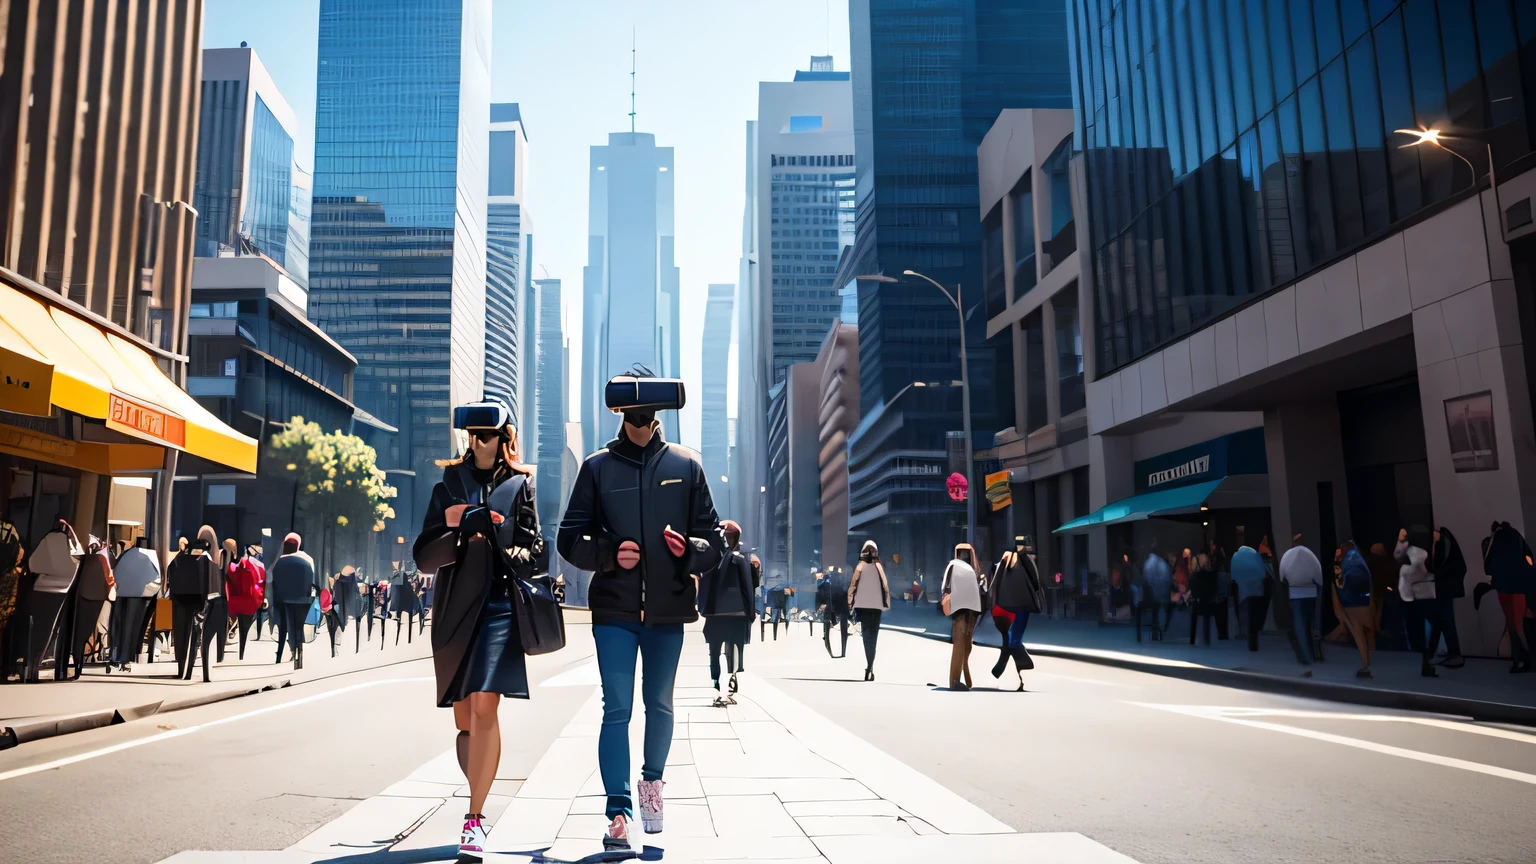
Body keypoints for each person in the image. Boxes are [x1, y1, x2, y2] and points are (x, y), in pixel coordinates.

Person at [557, 375, 724, 851]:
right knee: (618, 708)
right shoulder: (596, 468)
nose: (641, 421)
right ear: (621, 415)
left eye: (648, 414)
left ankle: (652, 790)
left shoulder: (687, 466)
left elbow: (712, 541)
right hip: (614, 610)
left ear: (658, 415)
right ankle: (617, 811)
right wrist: (609, 554)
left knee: (661, 705)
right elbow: (569, 538)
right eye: (634, 415)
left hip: (668, 610)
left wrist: (687, 551)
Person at [414, 400, 543, 860]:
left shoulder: (520, 485)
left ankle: (475, 818)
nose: (478, 442)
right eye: (472, 434)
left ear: (503, 436)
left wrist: (505, 550)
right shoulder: (448, 484)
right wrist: (461, 528)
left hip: (500, 604)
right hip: (453, 610)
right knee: (465, 719)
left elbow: (538, 551)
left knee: (487, 706)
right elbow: (423, 555)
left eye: (487, 434)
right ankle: (477, 793)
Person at [700, 520, 754, 703]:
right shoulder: (740, 558)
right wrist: (751, 613)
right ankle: (728, 688)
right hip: (737, 613)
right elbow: (748, 586)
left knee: (715, 651)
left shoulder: (709, 557)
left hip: (715, 613)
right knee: (734, 651)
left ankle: (716, 686)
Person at [1477, 521, 1536, 673]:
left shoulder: (1493, 541)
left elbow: (1488, 563)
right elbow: (1529, 559)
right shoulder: (1514, 537)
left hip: (1504, 585)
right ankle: (1526, 659)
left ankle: (1520, 660)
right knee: (1519, 625)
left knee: (1512, 625)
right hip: (1518, 585)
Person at [166, 526, 221, 682]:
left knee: (180, 637)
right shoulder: (208, 562)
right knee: (195, 639)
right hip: (199, 603)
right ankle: (189, 671)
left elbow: (171, 576)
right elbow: (213, 588)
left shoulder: (178, 559)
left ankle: (181, 669)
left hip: (179, 601)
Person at [990, 536, 1043, 690]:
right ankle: (1020, 670)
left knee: (1010, 641)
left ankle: (1006, 671)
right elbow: (1036, 581)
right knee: (1014, 641)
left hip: (1005, 606)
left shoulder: (1006, 558)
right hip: (1022, 606)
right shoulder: (1027, 560)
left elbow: (996, 578)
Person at [109, 538, 160, 672]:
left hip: (121, 594)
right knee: (132, 628)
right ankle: (126, 657)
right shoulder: (149, 557)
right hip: (139, 595)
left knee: (118, 626)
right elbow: (155, 578)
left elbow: (116, 571)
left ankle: (115, 655)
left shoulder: (126, 555)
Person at [1395, 528, 1441, 678]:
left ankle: (1427, 660)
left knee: (1426, 630)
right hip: (1416, 597)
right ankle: (1426, 661)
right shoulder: (1412, 554)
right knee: (1423, 630)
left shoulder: (1416, 554)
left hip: (1420, 596)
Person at [269, 532, 316, 670]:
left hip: (283, 601)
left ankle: (282, 652)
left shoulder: (278, 561)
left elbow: (272, 581)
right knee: (298, 625)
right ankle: (297, 650)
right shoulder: (307, 560)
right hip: (302, 600)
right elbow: (311, 581)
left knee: (284, 624)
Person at [847, 540, 891, 682]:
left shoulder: (860, 567)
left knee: (867, 638)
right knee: (874, 637)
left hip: (862, 606)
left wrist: (850, 602)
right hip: (876, 607)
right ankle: (870, 667)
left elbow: (853, 585)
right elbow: (885, 586)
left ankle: (869, 667)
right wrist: (886, 603)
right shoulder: (879, 567)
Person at [941, 543, 982, 690]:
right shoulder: (973, 568)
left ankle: (960, 679)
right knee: (963, 643)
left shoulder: (956, 566)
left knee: (963, 643)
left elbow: (944, 586)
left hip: (964, 609)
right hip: (968, 609)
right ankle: (957, 679)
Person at [1279, 535, 1323, 671]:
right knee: (1311, 623)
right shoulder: (1310, 554)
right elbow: (1318, 574)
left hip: (1295, 592)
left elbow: (1282, 575)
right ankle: (1314, 653)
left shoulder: (1288, 555)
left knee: (1300, 625)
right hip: (1310, 592)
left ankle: (1306, 656)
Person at [1334, 542, 1374, 677]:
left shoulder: (1350, 559)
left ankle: (1365, 663)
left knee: (1358, 633)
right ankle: (1366, 662)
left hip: (1351, 601)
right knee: (1364, 632)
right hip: (1363, 600)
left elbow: (1347, 579)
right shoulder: (1359, 558)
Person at [1429, 527, 1467, 668]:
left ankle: (1451, 654)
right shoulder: (1448, 550)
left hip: (1441, 591)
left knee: (1443, 622)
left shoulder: (1443, 551)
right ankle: (1444, 653)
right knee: (1441, 623)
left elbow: (1436, 567)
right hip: (1442, 591)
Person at [225, 540, 265, 660]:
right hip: (249, 602)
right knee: (245, 628)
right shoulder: (257, 566)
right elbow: (260, 582)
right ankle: (241, 652)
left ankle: (236, 647)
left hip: (235, 601)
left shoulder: (232, 566)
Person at [1229, 545, 1269, 652]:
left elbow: (1233, 573)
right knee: (1255, 613)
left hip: (1243, 589)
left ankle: (1244, 632)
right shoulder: (1255, 556)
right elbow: (1262, 573)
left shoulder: (1236, 556)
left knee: (1244, 611)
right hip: (1256, 589)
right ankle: (1253, 635)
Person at [1139, 546, 1172, 642]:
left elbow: (1145, 580)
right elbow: (1167, 580)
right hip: (1159, 595)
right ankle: (1162, 629)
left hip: (1149, 596)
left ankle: (1156, 630)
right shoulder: (1162, 564)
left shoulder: (1147, 564)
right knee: (1166, 605)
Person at [1188, 552, 1220, 645]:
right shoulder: (1212, 576)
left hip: (1198, 602)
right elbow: (1214, 589)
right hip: (1208, 602)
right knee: (1206, 616)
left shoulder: (1195, 576)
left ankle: (1192, 639)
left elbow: (1193, 588)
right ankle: (1207, 638)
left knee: (1195, 616)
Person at [819, 567, 850, 659]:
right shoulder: (842, 582)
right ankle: (843, 650)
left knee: (827, 627)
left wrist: (821, 603)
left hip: (831, 605)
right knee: (843, 628)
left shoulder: (826, 582)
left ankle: (830, 647)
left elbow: (820, 591)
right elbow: (847, 592)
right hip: (841, 605)